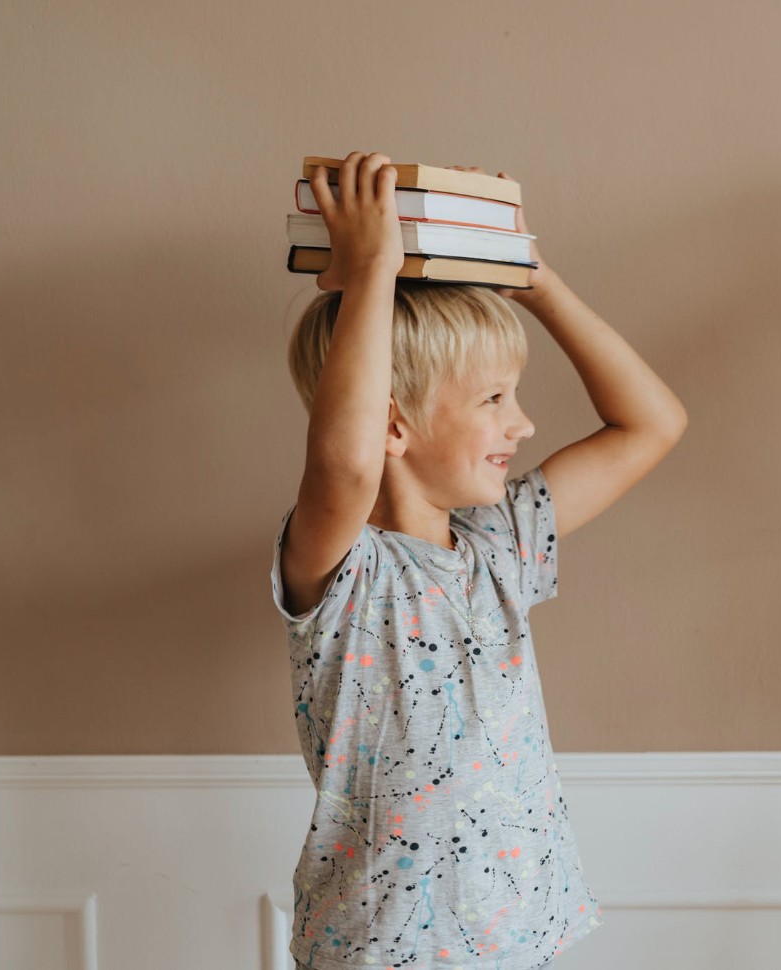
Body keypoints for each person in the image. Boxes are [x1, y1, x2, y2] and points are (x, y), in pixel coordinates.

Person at [275, 151, 686, 970]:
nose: (523, 424)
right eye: (494, 399)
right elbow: (348, 465)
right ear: (393, 426)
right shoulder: (345, 569)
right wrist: (372, 275)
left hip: (519, 933)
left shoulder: (501, 546)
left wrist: (534, 282)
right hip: (384, 946)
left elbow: (653, 423)